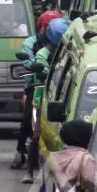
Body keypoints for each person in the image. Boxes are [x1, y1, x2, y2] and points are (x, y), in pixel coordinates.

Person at [13, 10, 62, 176]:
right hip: (37, 85)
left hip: (58, 89)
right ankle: (21, 153)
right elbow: (29, 61)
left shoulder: (64, 46)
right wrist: (37, 68)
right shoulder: (34, 45)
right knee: (28, 120)